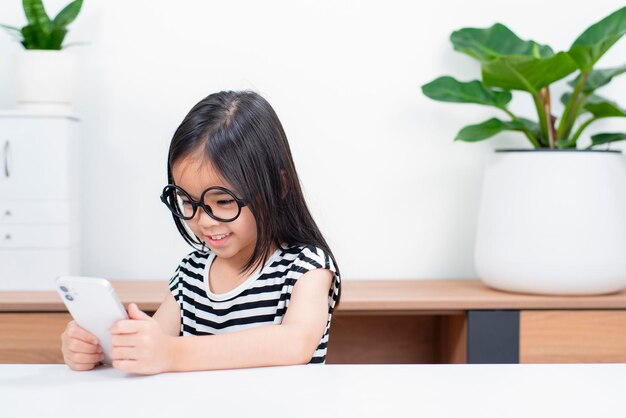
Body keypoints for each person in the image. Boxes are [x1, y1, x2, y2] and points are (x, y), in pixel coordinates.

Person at [60, 91, 341, 374]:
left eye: (223, 202)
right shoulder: (191, 274)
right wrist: (101, 350)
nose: (204, 221)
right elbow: (152, 347)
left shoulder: (306, 267)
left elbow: (295, 344)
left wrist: (172, 354)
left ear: (278, 186)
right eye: (188, 202)